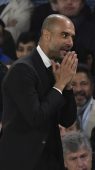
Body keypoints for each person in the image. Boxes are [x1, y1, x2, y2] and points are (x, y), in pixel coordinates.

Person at [0, 14, 78, 170]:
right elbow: (36, 117)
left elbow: (67, 120)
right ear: (47, 35)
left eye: (72, 37)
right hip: (22, 162)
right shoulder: (22, 69)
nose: (70, 42)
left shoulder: (55, 69)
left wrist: (67, 87)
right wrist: (61, 84)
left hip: (50, 160)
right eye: (64, 35)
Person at [71, 63, 95, 138]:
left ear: (92, 86)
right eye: (73, 84)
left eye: (83, 84)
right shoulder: (60, 112)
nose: (78, 89)